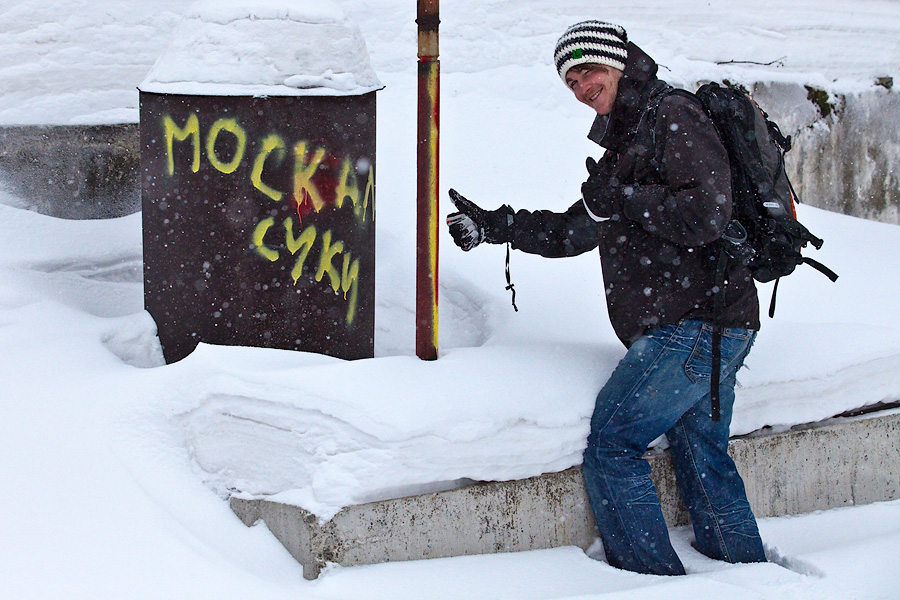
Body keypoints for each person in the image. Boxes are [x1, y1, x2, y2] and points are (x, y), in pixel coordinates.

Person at [445, 21, 768, 576]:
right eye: (569, 79)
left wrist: (623, 197)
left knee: (613, 446)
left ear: (617, 63)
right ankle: (748, 578)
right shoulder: (628, 137)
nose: (579, 86)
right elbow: (575, 231)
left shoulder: (672, 115)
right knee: (701, 454)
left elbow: (705, 214)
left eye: (587, 70)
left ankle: (653, 579)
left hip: (692, 324)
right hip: (714, 323)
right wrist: (497, 225)